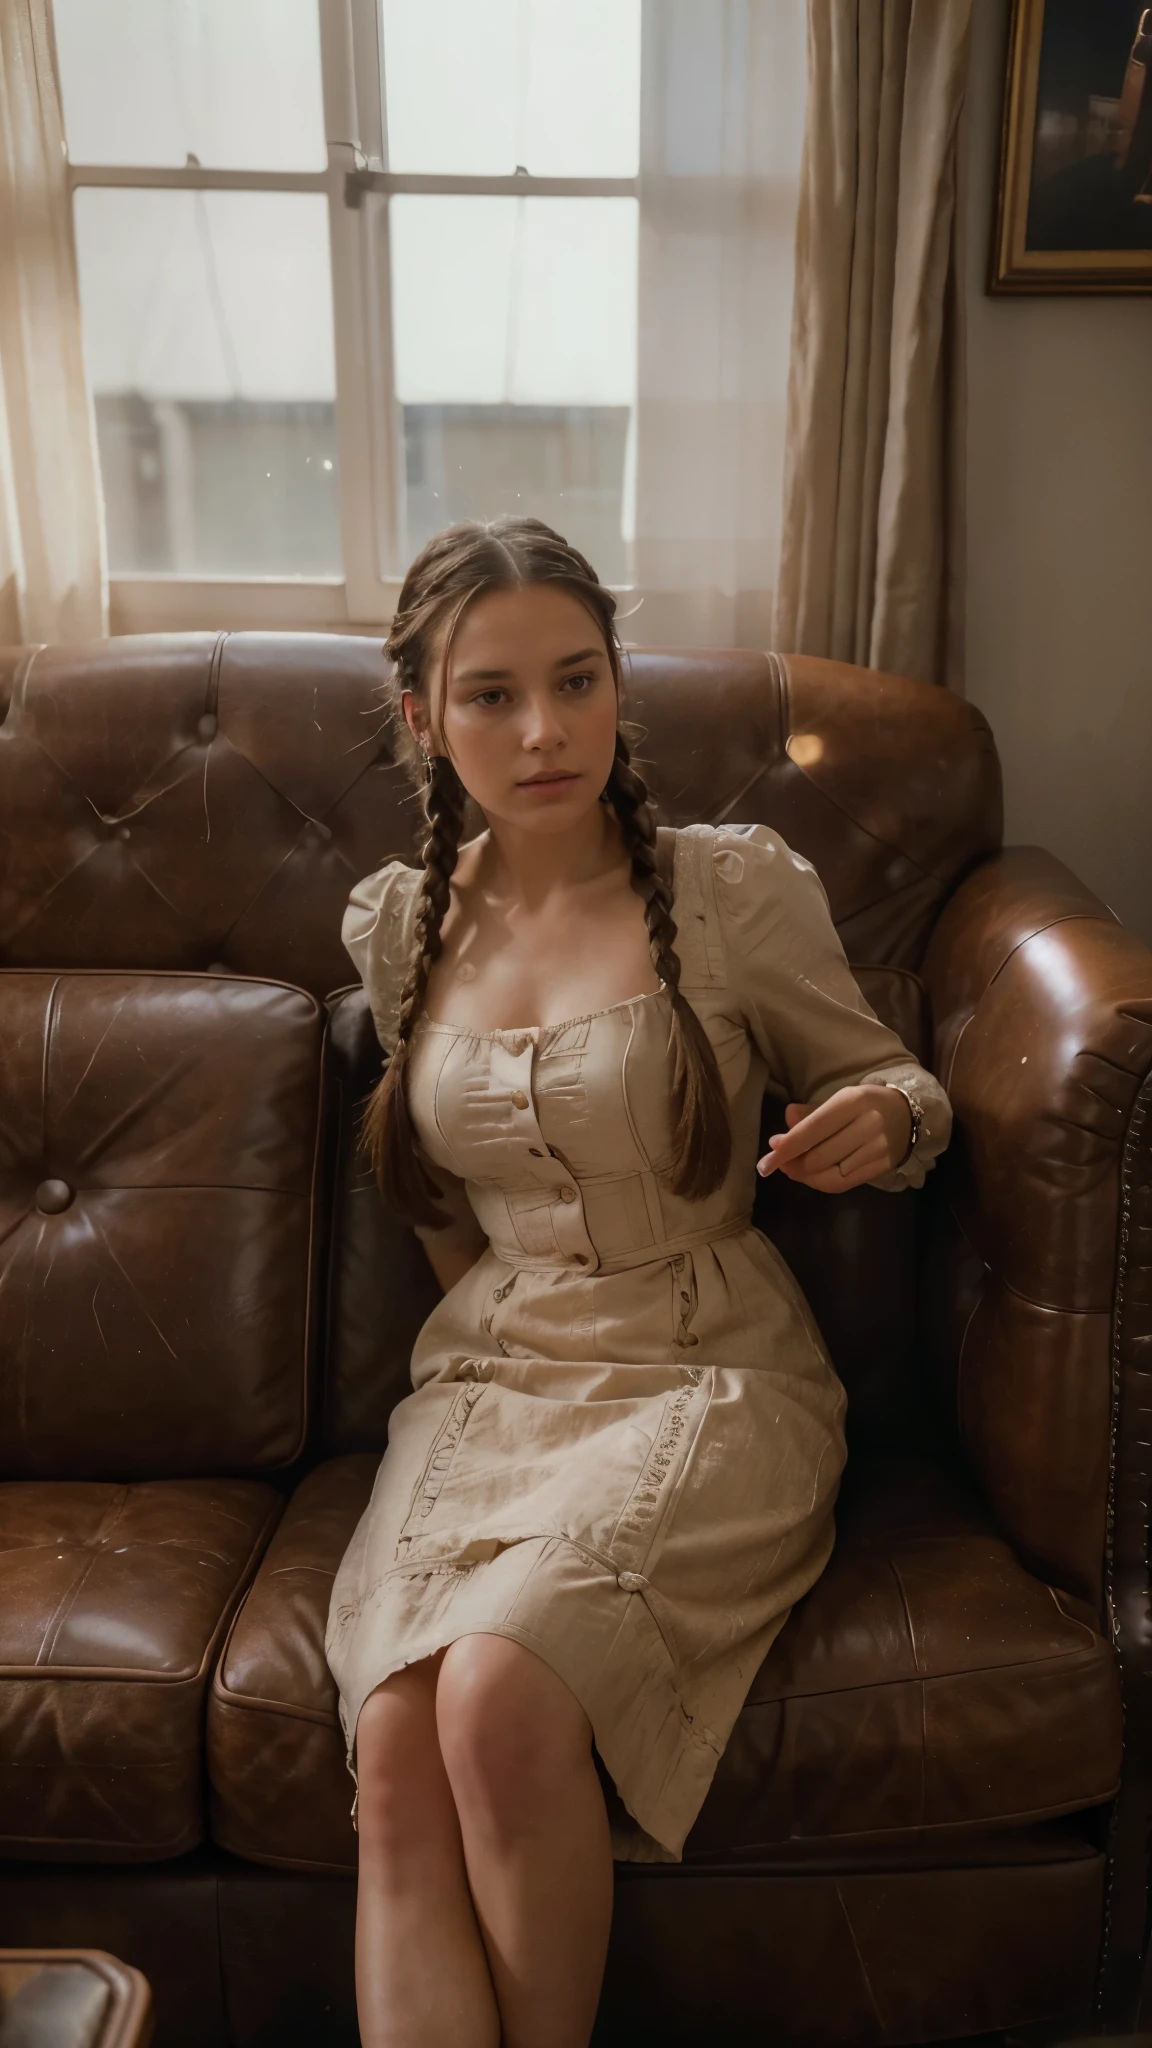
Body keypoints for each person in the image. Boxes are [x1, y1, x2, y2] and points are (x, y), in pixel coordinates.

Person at [325, 515, 952, 2048]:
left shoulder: (729, 892)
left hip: (706, 1365)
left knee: (494, 1690)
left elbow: (896, 1086)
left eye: (577, 681)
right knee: (397, 1741)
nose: (544, 732)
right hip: (489, 1383)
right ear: (422, 717)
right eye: (489, 695)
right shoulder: (399, 922)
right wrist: (497, 1324)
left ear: (619, 687)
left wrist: (892, 1118)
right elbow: (439, 1216)